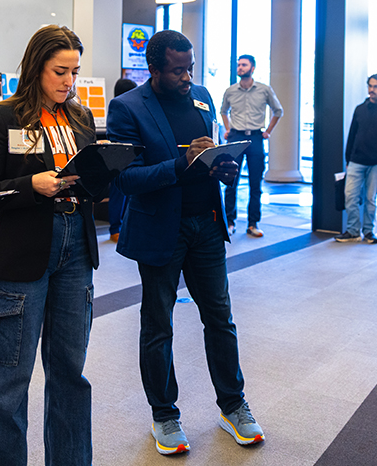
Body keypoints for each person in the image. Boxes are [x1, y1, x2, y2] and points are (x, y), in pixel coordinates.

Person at [107, 30, 264, 456]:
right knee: (158, 323)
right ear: (153, 68)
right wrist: (182, 163)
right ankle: (164, 414)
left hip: (207, 223)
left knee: (220, 316)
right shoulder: (127, 107)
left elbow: (209, 154)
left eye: (190, 67)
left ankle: (233, 405)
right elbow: (127, 178)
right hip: (162, 228)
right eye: (178, 70)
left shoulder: (203, 97)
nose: (186, 77)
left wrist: (222, 166)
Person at [0, 25, 98, 466]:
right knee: (8, 375)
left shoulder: (79, 118)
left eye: (74, 72)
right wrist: (30, 186)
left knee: (69, 373)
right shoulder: (3, 117)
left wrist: (105, 176)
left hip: (76, 242)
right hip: (23, 249)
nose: (69, 82)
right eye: (60, 71)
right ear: (36, 66)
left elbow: (88, 175)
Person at [219, 54, 283, 238]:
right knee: (230, 182)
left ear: (252, 68)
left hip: (255, 138)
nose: (240, 68)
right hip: (236, 137)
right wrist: (228, 128)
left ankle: (253, 224)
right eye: (238, 65)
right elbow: (223, 111)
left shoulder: (264, 89)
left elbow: (278, 110)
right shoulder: (230, 90)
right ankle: (229, 222)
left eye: (244, 65)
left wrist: (268, 131)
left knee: (256, 184)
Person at [336, 74, 377, 244]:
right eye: (370, 86)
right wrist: (348, 159)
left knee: (370, 198)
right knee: (350, 196)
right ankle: (352, 231)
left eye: (375, 87)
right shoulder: (360, 109)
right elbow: (352, 135)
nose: (371, 90)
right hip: (356, 160)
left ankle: (368, 232)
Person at [108, 77, 138, 242]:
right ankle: (114, 229)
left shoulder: (132, 107)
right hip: (119, 158)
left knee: (128, 195)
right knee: (118, 194)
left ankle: (124, 228)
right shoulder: (117, 106)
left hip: (132, 156)